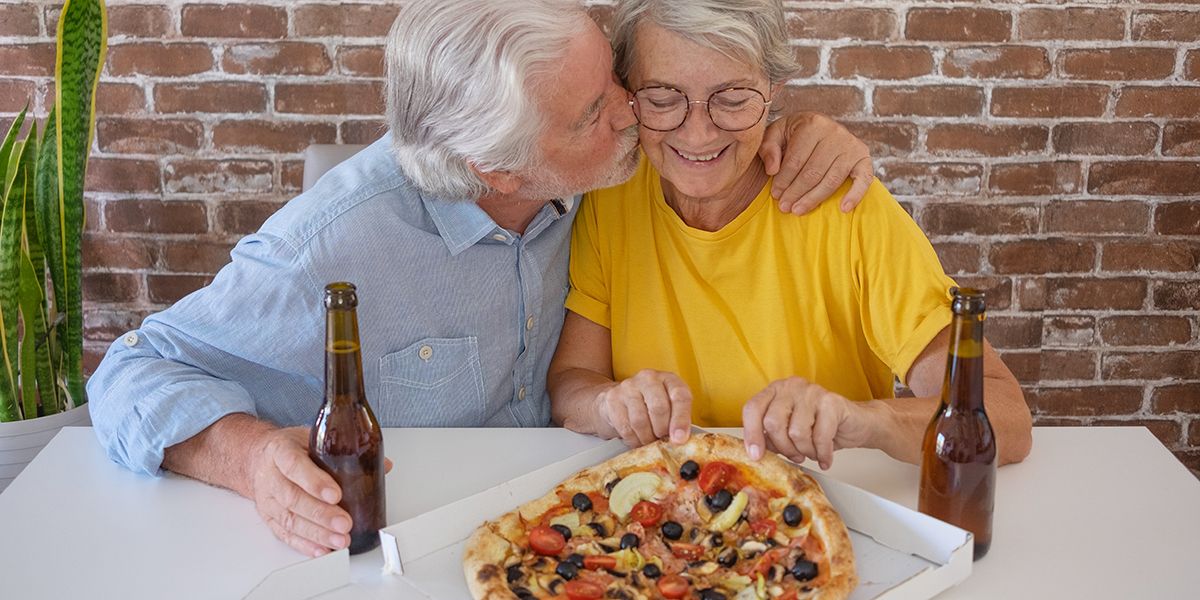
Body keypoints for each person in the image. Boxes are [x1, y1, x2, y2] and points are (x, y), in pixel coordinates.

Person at [86, 0, 875, 557]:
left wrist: (800, 131)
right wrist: (252, 459)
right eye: (592, 112)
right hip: (398, 549)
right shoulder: (325, 246)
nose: (633, 111)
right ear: (499, 169)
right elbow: (130, 373)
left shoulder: (603, 173)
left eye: (613, 79)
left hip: (586, 531)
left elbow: (709, 126)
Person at [547, 0, 1033, 472]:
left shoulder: (846, 209)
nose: (698, 135)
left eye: (733, 100)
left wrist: (867, 420)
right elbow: (571, 382)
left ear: (773, 90)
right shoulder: (611, 195)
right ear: (628, 93)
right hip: (659, 497)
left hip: (820, 490)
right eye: (662, 99)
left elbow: (1007, 418)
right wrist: (609, 403)